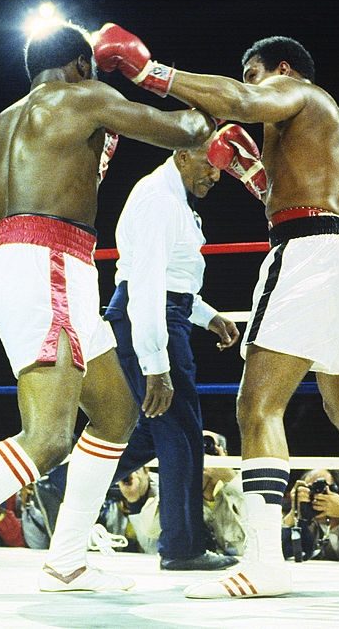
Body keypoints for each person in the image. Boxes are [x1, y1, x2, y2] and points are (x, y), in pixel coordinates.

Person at [0, 21, 215, 609]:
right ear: (81, 66)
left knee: (115, 412)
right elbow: (189, 129)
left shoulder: (6, 120)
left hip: (35, 261)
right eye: (97, 72)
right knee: (46, 438)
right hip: (51, 266)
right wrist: (150, 74)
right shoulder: (86, 96)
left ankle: (68, 561)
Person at [92, 26, 339, 598]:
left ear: (280, 70)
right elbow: (298, 192)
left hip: (310, 253)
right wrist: (256, 173)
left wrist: (150, 73)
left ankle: (264, 562)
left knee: (257, 405)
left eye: (252, 75)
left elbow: (240, 102)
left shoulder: (297, 93)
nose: (249, 92)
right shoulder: (337, 125)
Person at [103, 134, 242, 571]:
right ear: (182, 155)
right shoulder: (158, 199)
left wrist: (206, 315)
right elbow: (144, 284)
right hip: (151, 318)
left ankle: (66, 482)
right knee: (180, 429)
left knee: (151, 429)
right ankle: (182, 549)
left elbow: (173, 279)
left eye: (221, 167)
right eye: (209, 164)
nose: (215, 175)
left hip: (166, 313)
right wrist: (155, 365)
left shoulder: (174, 199)